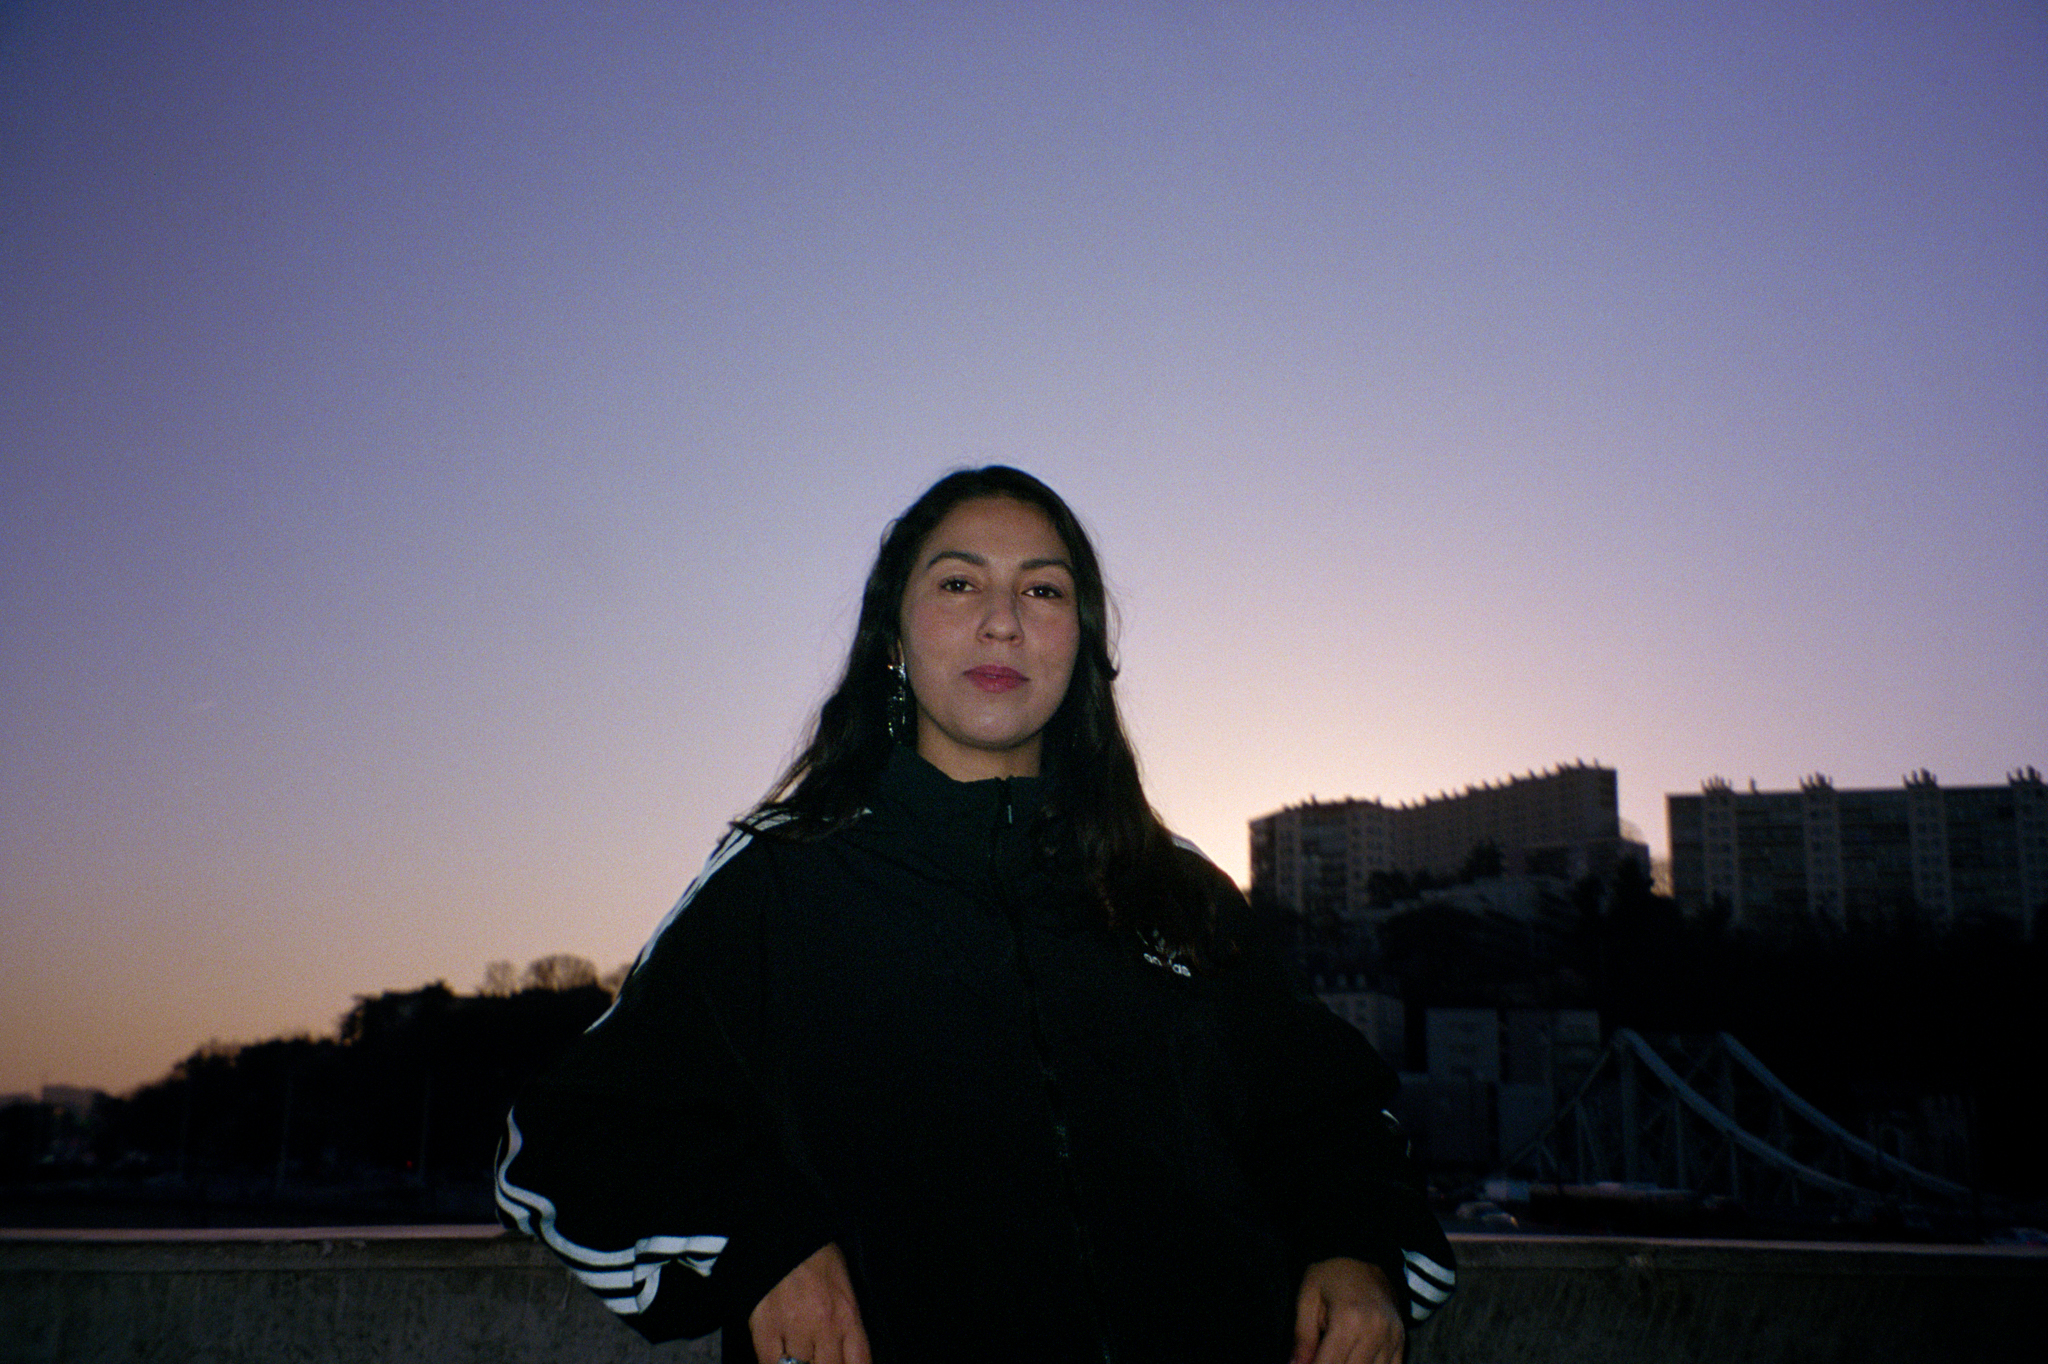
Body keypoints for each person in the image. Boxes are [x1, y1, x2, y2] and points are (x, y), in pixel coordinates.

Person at [495, 467, 1455, 1364]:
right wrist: (762, 1239)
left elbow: (1332, 1117)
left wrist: (1354, 1247)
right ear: (893, 638)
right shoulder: (784, 878)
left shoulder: (1177, 889)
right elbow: (568, 1136)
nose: (1002, 622)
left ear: (1082, 643)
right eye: (958, 585)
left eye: (1042, 590)